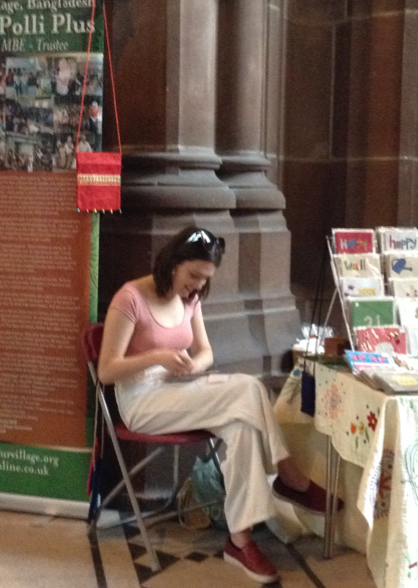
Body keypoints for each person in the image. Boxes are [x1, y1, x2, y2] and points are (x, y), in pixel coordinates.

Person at [98, 226, 330, 584]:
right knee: (248, 389)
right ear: (172, 263)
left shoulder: (192, 297)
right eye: (193, 275)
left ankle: (240, 540)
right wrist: (157, 356)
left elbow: (204, 351)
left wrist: (195, 366)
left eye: (204, 279)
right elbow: (107, 370)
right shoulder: (130, 297)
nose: (196, 286)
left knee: (242, 426)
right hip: (141, 399)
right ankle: (289, 475)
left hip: (182, 387)